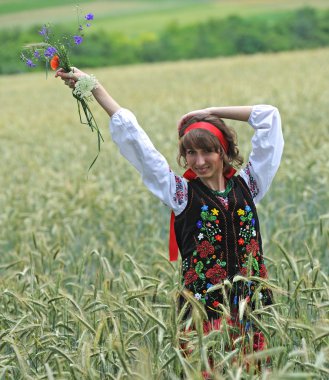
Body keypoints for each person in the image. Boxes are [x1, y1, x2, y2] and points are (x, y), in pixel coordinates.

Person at [56, 67, 284, 364]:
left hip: (250, 306)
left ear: (223, 151)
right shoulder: (180, 193)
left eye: (207, 152)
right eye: (190, 153)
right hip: (204, 314)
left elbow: (269, 117)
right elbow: (137, 142)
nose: (199, 161)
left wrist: (210, 111)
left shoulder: (249, 185)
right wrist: (94, 87)